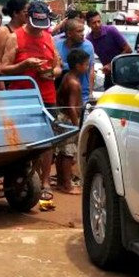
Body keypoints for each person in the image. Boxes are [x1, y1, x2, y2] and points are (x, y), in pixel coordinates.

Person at [1, 0, 61, 198]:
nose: (39, 29)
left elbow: (58, 66)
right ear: (28, 18)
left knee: (48, 140)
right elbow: (4, 68)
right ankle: (21, 176)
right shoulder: (14, 37)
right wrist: (24, 66)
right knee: (22, 140)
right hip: (22, 96)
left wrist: (51, 72)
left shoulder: (49, 38)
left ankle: (44, 181)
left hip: (47, 95)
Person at [53, 48, 89, 195]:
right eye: (86, 64)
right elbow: (72, 107)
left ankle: (62, 182)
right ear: (78, 65)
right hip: (68, 119)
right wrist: (77, 126)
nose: (87, 67)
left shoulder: (67, 76)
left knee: (62, 152)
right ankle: (67, 185)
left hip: (62, 117)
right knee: (68, 153)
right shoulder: (74, 83)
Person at [85, 10, 131, 89]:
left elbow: (128, 50)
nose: (97, 25)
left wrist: (111, 64)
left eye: (99, 21)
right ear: (89, 24)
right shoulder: (89, 40)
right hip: (108, 76)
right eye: (94, 23)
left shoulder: (111, 30)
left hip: (124, 74)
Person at [53, 17, 95, 104]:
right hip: (61, 94)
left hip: (81, 94)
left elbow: (85, 68)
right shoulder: (58, 45)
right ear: (69, 33)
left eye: (83, 31)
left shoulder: (87, 46)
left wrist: (90, 92)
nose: (82, 34)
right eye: (79, 31)